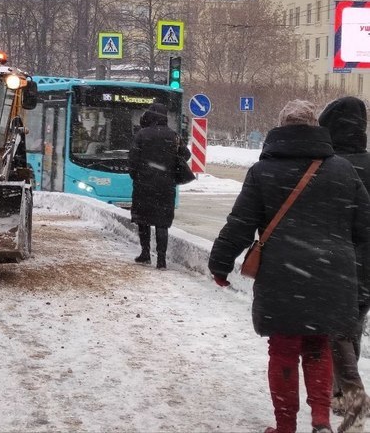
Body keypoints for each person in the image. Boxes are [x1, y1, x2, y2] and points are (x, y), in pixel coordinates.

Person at [208, 99, 370, 433]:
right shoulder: (342, 169)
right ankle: (322, 421)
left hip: (281, 275)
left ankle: (285, 426)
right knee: (318, 347)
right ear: (315, 126)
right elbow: (364, 227)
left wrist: (220, 264)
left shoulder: (263, 171)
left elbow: (240, 224)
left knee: (283, 348)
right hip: (331, 274)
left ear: (281, 127)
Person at [319, 96, 370, 431]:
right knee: (351, 328)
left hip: (337, 261)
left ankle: (355, 398)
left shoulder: (329, 164)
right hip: (368, 264)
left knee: (336, 331)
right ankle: (340, 397)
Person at [128, 102, 190, 269]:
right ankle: (161, 259)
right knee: (162, 223)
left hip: (144, 185)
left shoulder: (142, 135)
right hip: (166, 186)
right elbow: (186, 154)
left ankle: (145, 253)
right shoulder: (174, 135)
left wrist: (137, 175)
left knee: (144, 220)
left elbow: (133, 160)